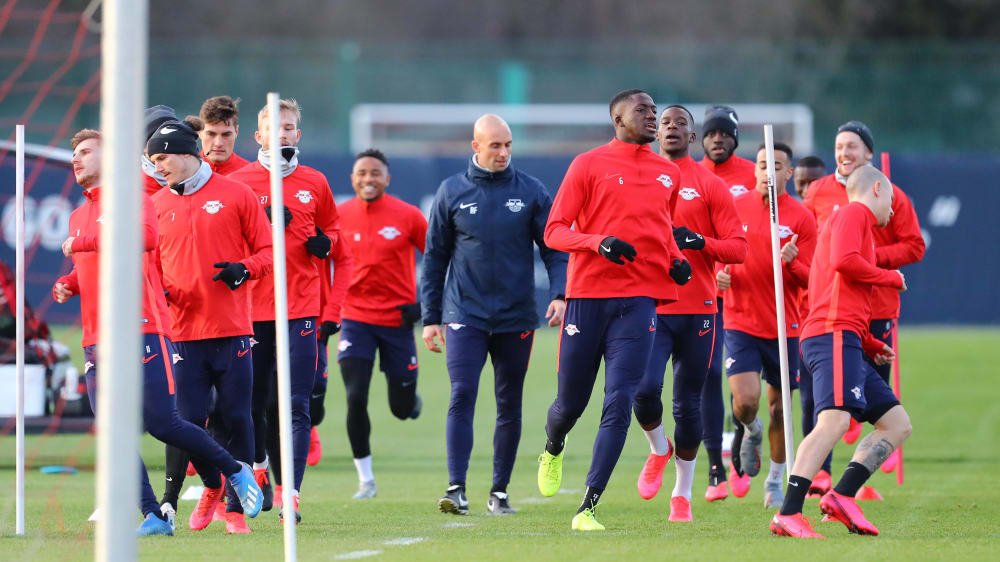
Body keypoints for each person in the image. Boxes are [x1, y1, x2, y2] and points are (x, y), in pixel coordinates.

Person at [54, 128, 262, 536]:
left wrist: (83, 242)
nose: (75, 160)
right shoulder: (78, 216)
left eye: (85, 152)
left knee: (165, 424)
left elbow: (145, 238)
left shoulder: (136, 199)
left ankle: (233, 469)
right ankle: (154, 514)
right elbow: (93, 264)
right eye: (73, 154)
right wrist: (70, 283)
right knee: (111, 433)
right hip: (97, 338)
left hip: (141, 329)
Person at [536, 89, 691, 531]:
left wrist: (675, 261)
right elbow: (554, 232)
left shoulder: (667, 172)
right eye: (642, 111)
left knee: (620, 400)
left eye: (654, 112)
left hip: (640, 302)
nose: (652, 117)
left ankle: (587, 507)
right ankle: (552, 446)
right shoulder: (587, 164)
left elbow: (662, 228)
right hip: (587, 300)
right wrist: (597, 242)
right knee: (570, 405)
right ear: (617, 119)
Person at [422, 114, 567, 516]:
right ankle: (456, 488)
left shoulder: (531, 191)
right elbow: (434, 259)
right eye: (495, 146)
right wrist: (430, 317)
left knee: (509, 402)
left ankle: (499, 491)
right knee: (462, 393)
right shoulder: (451, 191)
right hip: (463, 313)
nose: (503, 153)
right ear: (476, 146)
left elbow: (554, 248)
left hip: (516, 317)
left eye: (507, 145)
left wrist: (559, 293)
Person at [770, 165, 912, 538]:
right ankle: (788, 512)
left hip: (844, 336)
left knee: (897, 424)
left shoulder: (849, 224)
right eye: (892, 203)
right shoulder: (852, 214)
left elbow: (830, 290)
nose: (893, 212)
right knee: (832, 422)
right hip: (832, 336)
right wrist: (890, 277)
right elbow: (845, 263)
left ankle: (842, 496)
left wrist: (867, 342)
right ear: (877, 189)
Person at [148, 119, 273, 534]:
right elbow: (148, 265)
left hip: (233, 328)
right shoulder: (156, 205)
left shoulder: (236, 193)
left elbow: (270, 251)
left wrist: (245, 269)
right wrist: (159, 290)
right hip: (180, 333)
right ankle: (213, 484)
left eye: (161, 158)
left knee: (237, 416)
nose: (157, 167)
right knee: (185, 421)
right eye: (153, 160)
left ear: (187, 153)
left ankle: (236, 510)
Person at [229, 98, 351, 523]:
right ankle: (259, 469)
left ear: (297, 134)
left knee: (296, 405)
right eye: (273, 128)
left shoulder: (314, 182)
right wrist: (260, 223)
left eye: (289, 128)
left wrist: (327, 243)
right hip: (250, 312)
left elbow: (337, 237)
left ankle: (292, 495)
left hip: (300, 310)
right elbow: (224, 245)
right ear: (258, 136)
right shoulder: (239, 182)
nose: (281, 134)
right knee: (254, 404)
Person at [631, 105, 746, 521]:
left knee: (688, 405)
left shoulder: (708, 184)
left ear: (692, 138)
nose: (673, 128)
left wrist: (699, 242)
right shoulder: (639, 180)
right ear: (654, 134)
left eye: (682, 124)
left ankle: (682, 494)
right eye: (665, 123)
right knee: (642, 392)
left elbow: (739, 247)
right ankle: (658, 448)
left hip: (699, 308)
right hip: (651, 305)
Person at [802, 121, 924, 495]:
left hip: (868, 314)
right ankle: (804, 493)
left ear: (868, 154)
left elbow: (913, 246)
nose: (844, 153)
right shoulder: (825, 196)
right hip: (832, 316)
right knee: (831, 414)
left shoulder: (890, 193)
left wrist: (872, 260)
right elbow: (832, 256)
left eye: (852, 146)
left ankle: (846, 491)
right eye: (839, 146)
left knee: (880, 412)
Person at [717, 142, 817, 509]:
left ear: (788, 173)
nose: (767, 172)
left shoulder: (802, 218)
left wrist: (792, 263)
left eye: (775, 166)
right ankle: (749, 430)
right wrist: (718, 276)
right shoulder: (734, 207)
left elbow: (813, 279)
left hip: (784, 327)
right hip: (740, 320)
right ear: (754, 171)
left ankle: (775, 481)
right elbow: (717, 254)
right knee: (746, 401)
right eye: (761, 165)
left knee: (779, 409)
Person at [337, 148, 427, 499]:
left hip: (397, 321)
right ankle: (366, 479)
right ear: (353, 179)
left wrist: (425, 306)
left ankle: (411, 400)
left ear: (387, 179)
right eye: (362, 173)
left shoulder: (409, 215)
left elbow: (437, 259)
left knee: (401, 409)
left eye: (375, 173)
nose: (368, 178)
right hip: (354, 318)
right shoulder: (338, 215)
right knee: (355, 396)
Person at [199, 95, 250, 175]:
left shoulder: (250, 175)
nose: (218, 143)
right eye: (211, 134)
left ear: (236, 132)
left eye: (226, 135)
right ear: (199, 132)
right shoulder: (181, 173)